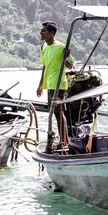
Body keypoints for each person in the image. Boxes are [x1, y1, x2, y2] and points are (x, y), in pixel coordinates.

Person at [37, 21, 74, 149]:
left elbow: (70, 65)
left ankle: (64, 141)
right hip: (50, 84)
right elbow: (45, 66)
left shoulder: (61, 47)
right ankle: (63, 140)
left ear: (51, 33)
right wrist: (40, 84)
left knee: (59, 113)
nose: (41, 33)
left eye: (44, 31)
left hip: (59, 84)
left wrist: (66, 56)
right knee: (55, 113)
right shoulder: (43, 47)